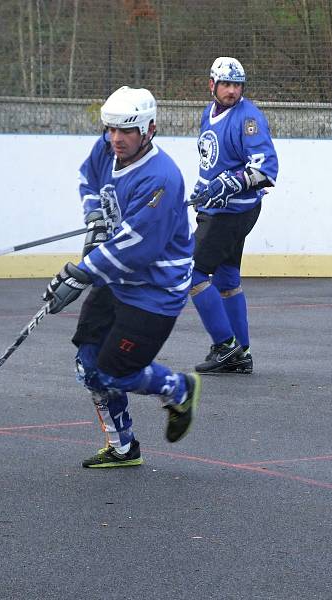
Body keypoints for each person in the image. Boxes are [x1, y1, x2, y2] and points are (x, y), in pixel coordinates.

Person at [42, 85, 200, 468]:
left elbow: (137, 247)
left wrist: (81, 273)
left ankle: (178, 389)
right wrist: (95, 217)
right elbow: (89, 179)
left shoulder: (161, 178)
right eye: (111, 129)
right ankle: (123, 446)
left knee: (115, 373)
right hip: (117, 279)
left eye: (126, 131)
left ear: (148, 129)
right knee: (88, 365)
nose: (116, 138)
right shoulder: (108, 148)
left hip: (154, 292)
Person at [188, 56, 278, 375]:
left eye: (237, 85)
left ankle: (226, 346)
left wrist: (233, 181)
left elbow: (266, 168)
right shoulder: (208, 114)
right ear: (211, 85)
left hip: (232, 212)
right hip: (216, 210)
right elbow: (210, 161)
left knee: (192, 272)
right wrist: (202, 190)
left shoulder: (248, 118)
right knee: (226, 278)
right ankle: (241, 352)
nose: (232, 91)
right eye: (226, 84)